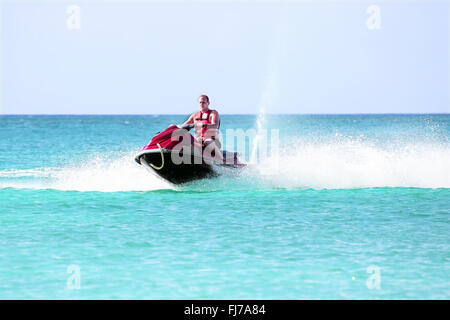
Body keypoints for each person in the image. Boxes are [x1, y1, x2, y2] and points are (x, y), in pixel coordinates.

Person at [182, 95, 223, 162]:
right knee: (188, 143)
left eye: (203, 102)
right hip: (199, 140)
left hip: (212, 140)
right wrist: (175, 127)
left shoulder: (213, 113)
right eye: (200, 102)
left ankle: (221, 160)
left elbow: (215, 125)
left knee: (207, 142)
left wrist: (204, 125)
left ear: (208, 103)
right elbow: (185, 125)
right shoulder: (194, 116)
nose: (202, 104)